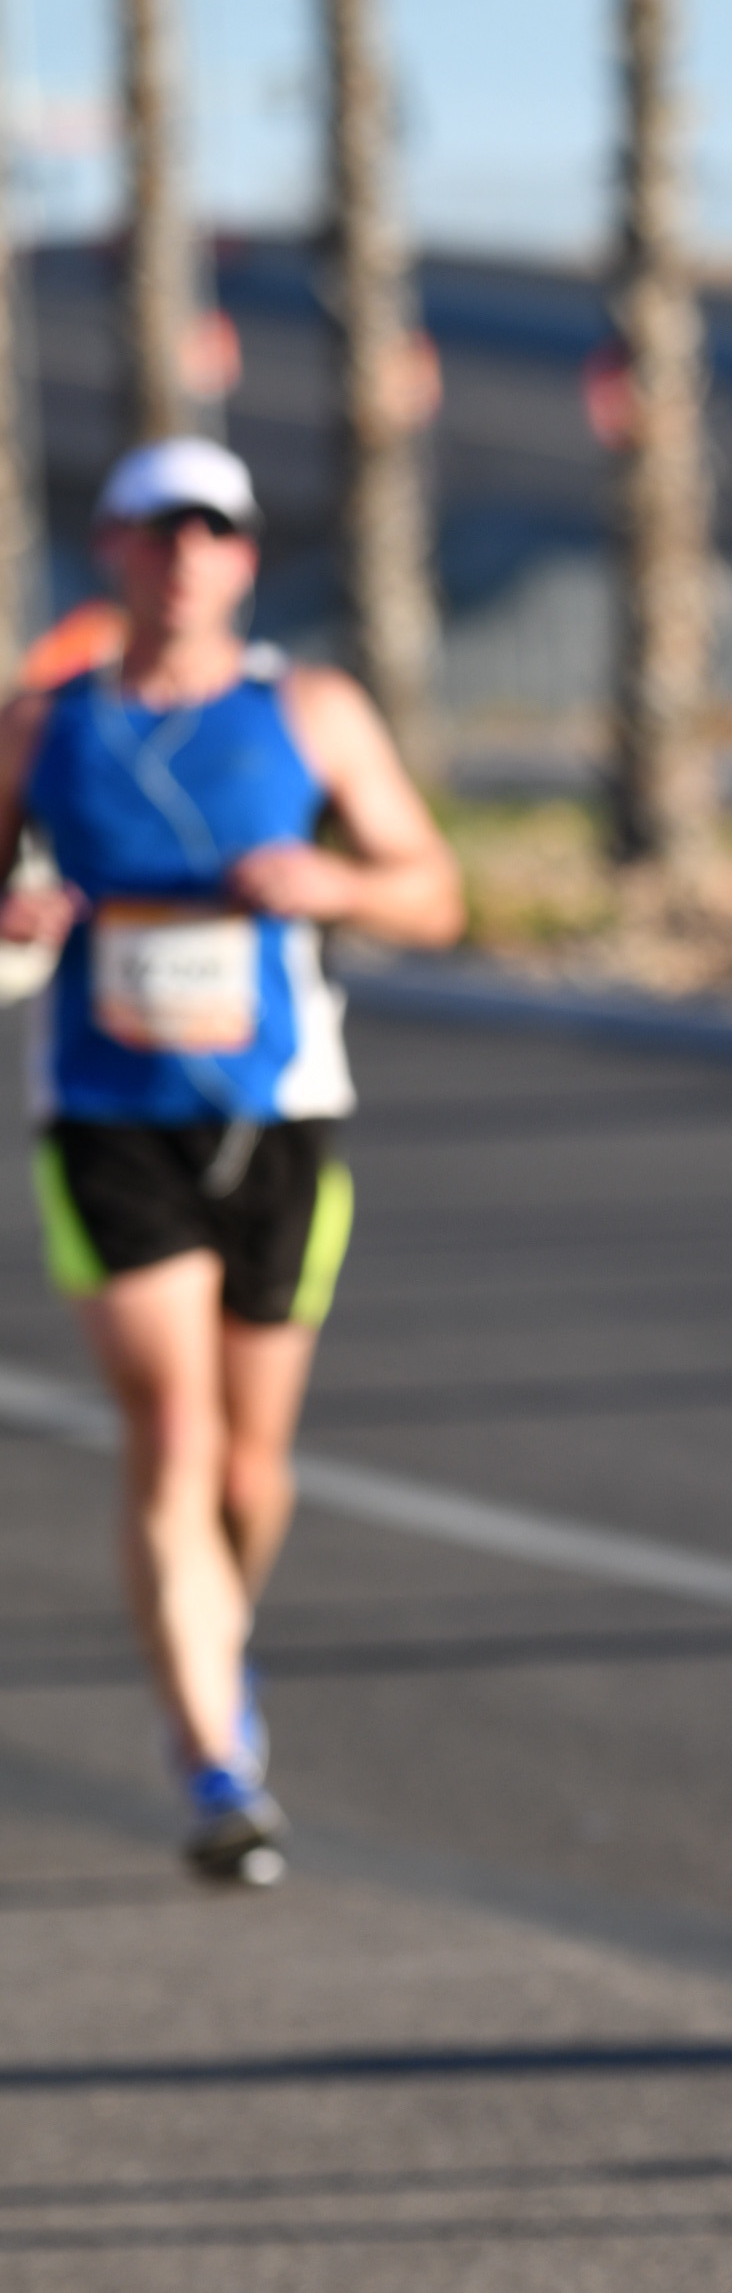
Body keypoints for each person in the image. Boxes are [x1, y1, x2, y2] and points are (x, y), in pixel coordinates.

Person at [0, 435, 462, 1884]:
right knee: (175, 1435)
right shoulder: (43, 723)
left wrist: (331, 881)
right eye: (158, 530)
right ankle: (215, 1760)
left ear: (247, 559)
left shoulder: (310, 711)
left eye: (214, 531)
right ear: (113, 549)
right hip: (107, 1114)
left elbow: (434, 893)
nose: (185, 556)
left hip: (277, 1117)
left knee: (251, 1474)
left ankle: (212, 1632)